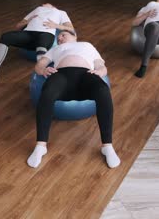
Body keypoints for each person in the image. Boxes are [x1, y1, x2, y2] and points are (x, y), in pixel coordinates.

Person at [27, 30, 121, 169]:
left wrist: (99, 72)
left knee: (103, 91)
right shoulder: (55, 49)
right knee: (47, 93)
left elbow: (101, 65)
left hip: (86, 75)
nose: (60, 38)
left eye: (63, 35)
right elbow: (40, 64)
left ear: (75, 36)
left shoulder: (87, 45)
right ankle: (41, 145)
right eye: (58, 37)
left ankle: (107, 146)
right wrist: (43, 71)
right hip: (61, 76)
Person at [0, 3, 74, 87]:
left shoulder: (60, 12)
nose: (45, 3)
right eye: (43, 3)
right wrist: (27, 21)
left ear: (53, 6)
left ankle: (43, 74)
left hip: (45, 34)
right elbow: (18, 26)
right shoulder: (38, 9)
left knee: (42, 41)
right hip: (29, 34)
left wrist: (56, 26)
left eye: (48, 3)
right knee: (6, 36)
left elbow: (71, 29)